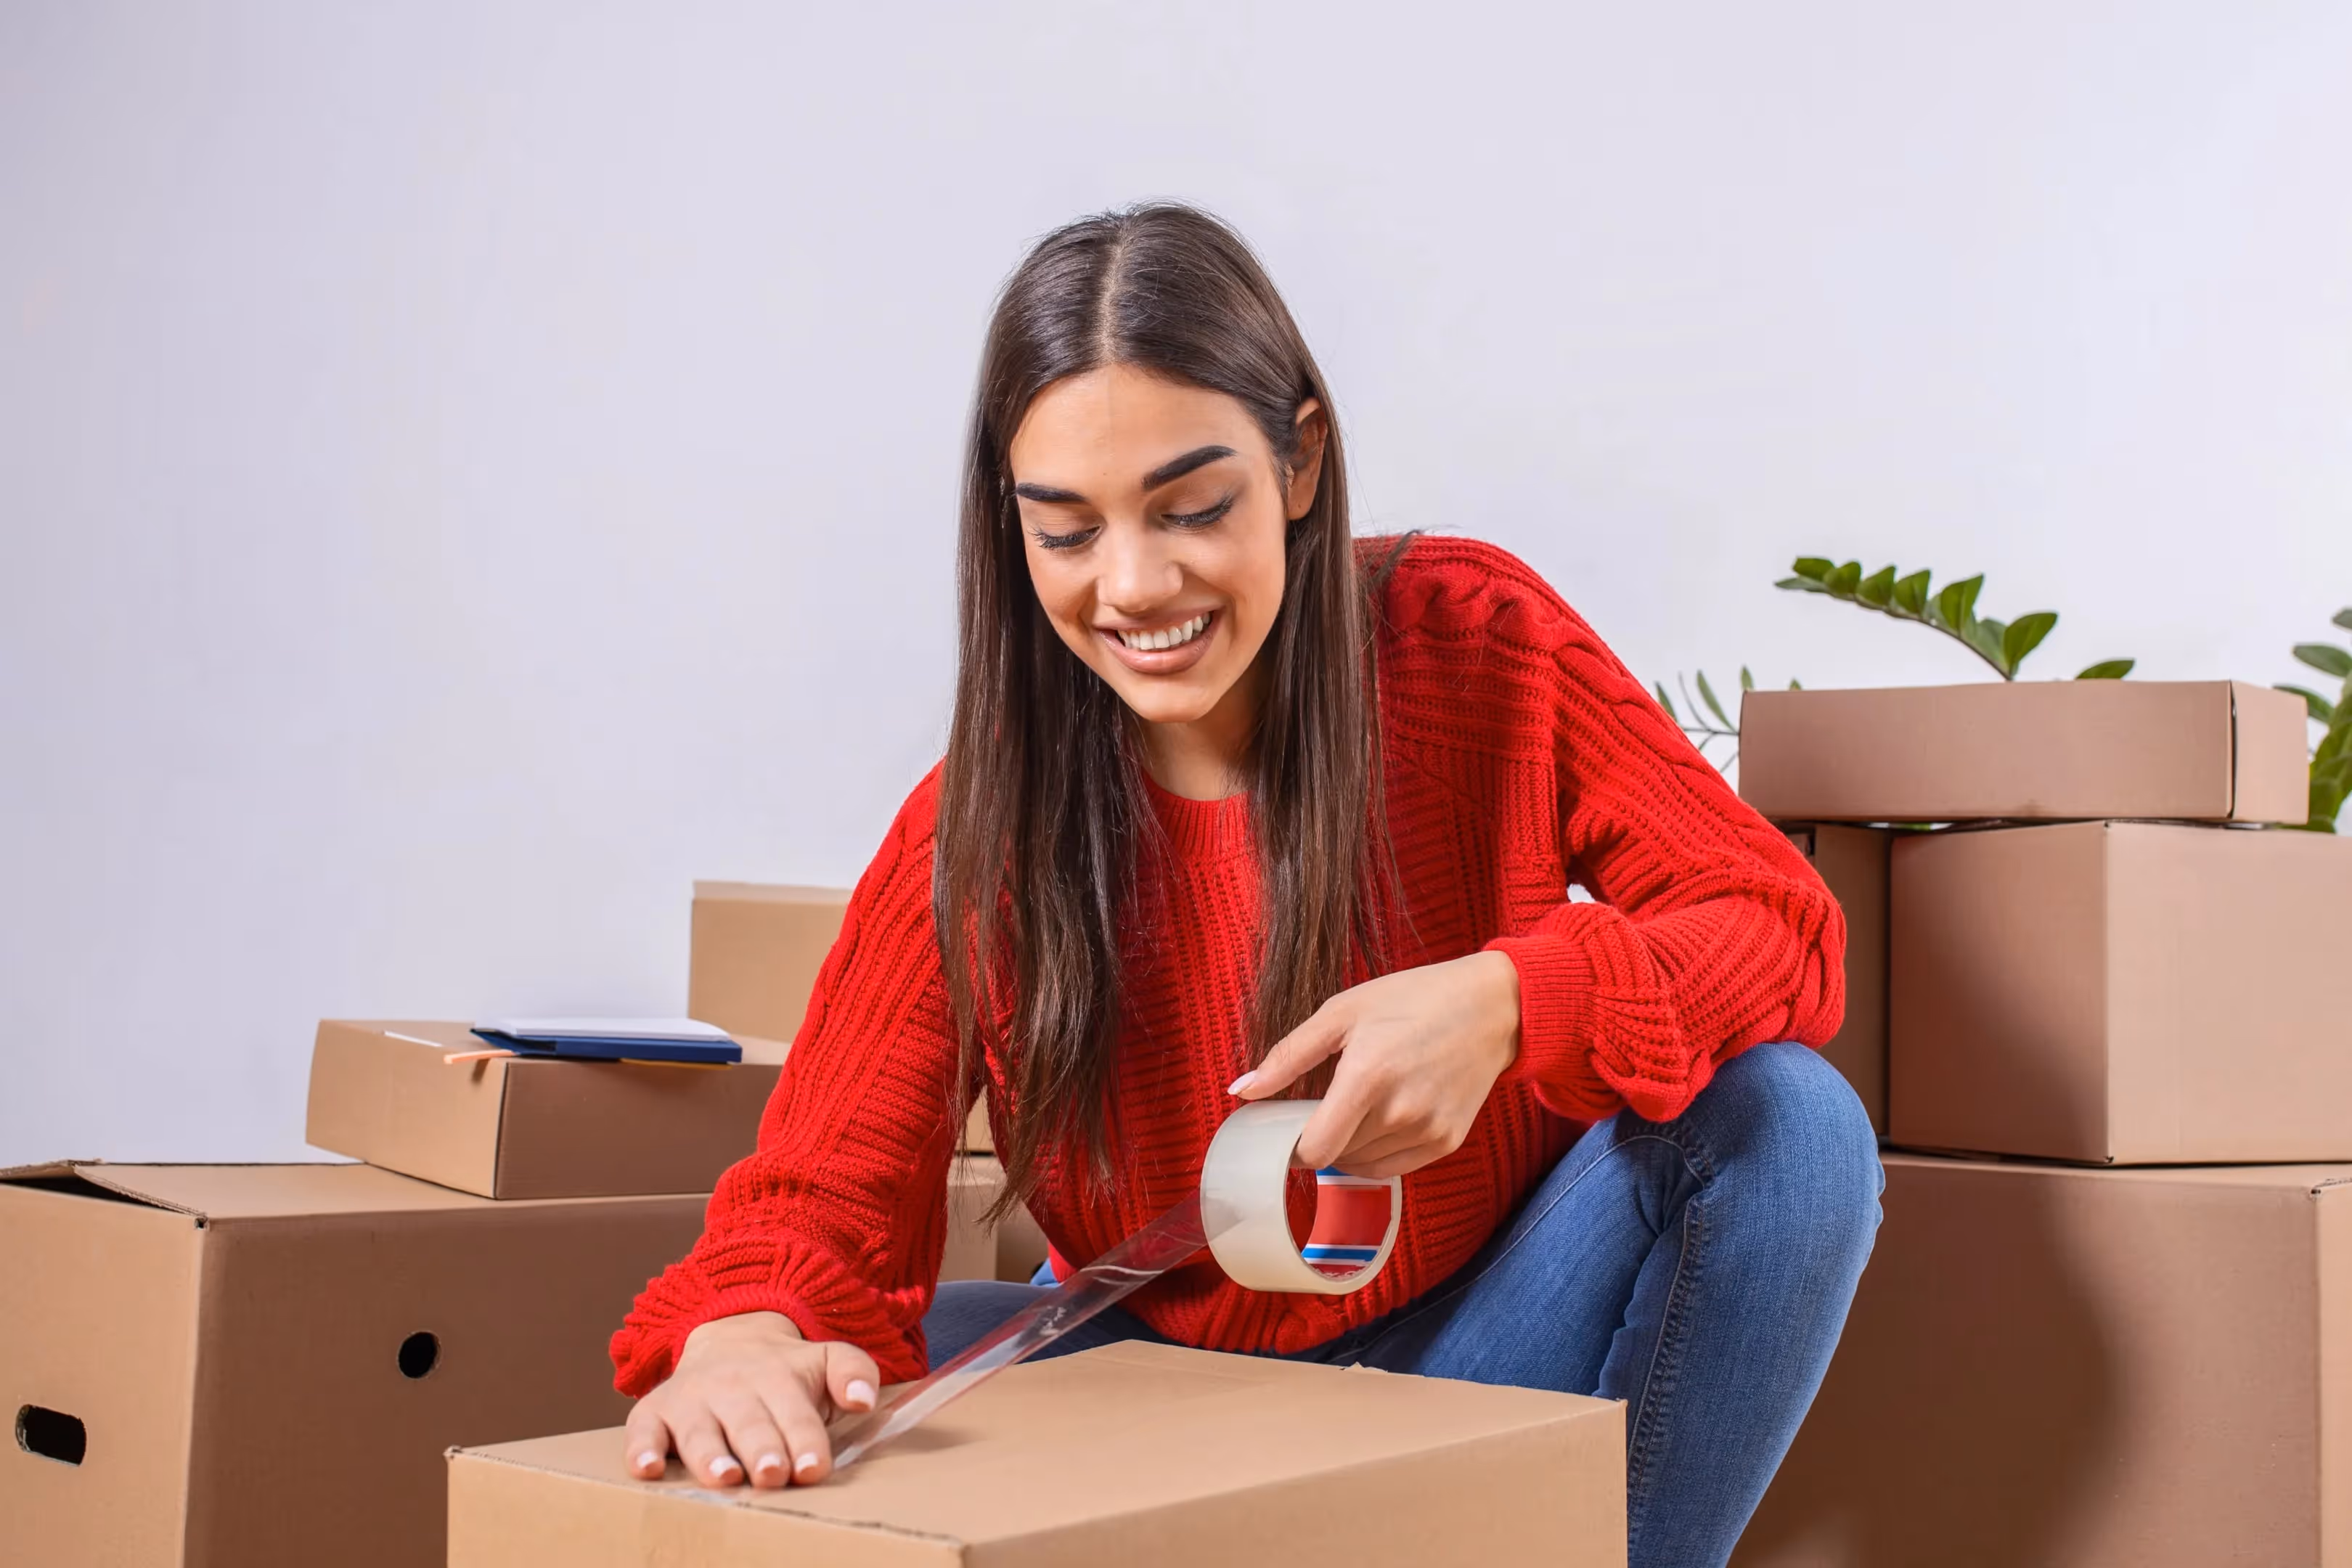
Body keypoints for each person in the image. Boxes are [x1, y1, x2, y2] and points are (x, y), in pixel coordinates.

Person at [611, 203, 1881, 1568]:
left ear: (1300, 459)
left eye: (1193, 505)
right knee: (823, 1389)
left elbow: (1778, 929)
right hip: (1164, 1375)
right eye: (1067, 532)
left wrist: (1512, 998)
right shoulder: (978, 823)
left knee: (1789, 1126)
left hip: (1484, 1337)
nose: (1135, 585)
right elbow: (819, 1192)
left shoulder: (1474, 641)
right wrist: (747, 1329)